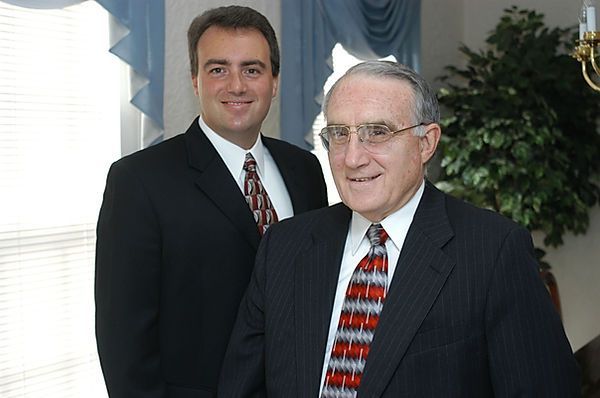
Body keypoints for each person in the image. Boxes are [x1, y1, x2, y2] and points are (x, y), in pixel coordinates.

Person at [218, 60, 580, 397]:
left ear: (426, 143)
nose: (354, 157)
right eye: (340, 134)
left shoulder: (493, 251)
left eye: (377, 132)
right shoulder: (284, 246)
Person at [95, 5, 328, 397]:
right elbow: (124, 346)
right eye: (218, 69)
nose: (236, 85)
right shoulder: (139, 180)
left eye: (252, 69)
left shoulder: (305, 169)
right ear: (195, 80)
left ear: (274, 81)